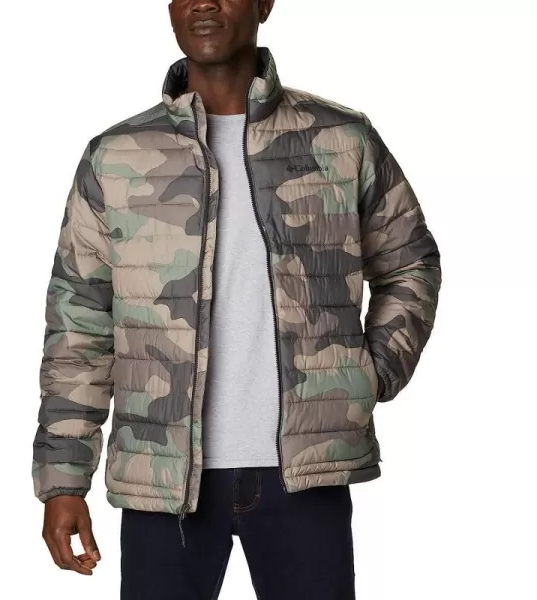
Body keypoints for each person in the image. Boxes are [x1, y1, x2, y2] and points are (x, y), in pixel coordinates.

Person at [32, 1, 441, 598]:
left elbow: (410, 263)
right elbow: (79, 321)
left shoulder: (340, 139)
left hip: (305, 473)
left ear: (264, 3)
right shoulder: (117, 156)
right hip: (162, 479)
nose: (203, 2)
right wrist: (64, 479)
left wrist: (367, 374)